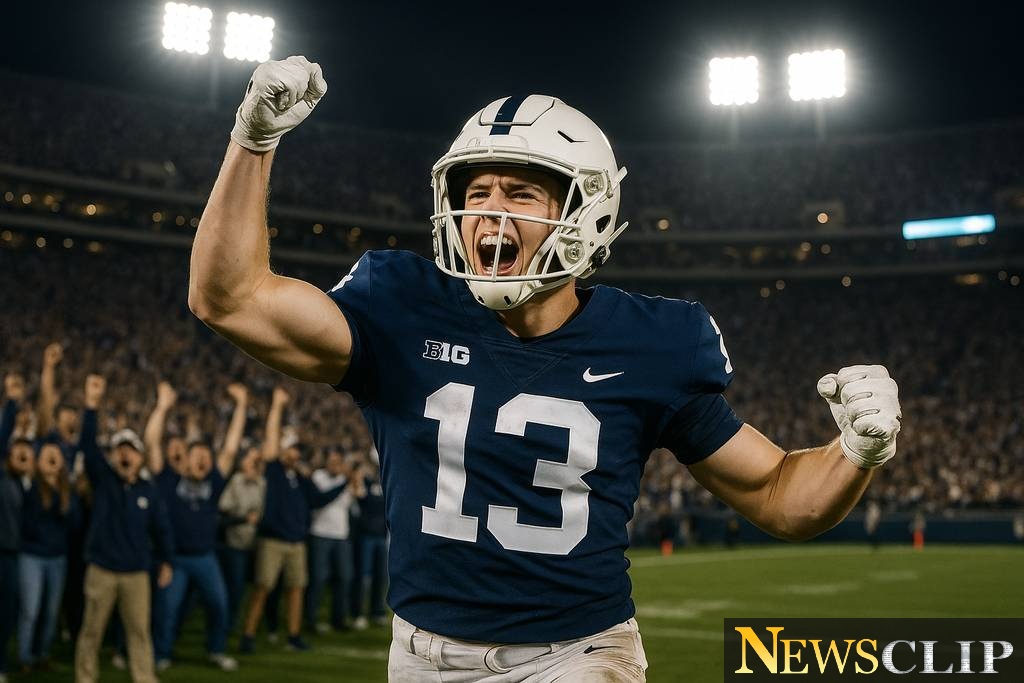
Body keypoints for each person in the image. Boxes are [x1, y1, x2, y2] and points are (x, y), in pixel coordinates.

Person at [188, 56, 904, 681]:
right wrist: (252, 142)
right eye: (476, 192)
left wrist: (854, 453)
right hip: (420, 655)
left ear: (586, 211)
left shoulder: (652, 342)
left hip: (577, 656)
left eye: (520, 192)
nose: (488, 210)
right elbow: (229, 297)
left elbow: (778, 491)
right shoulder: (401, 305)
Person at [74, 374, 175, 683]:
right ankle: (85, 679)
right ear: (114, 454)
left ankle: (144, 677)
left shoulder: (149, 489)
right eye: (120, 448)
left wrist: (167, 560)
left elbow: (161, 528)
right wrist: (91, 406)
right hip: (102, 568)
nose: (125, 453)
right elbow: (88, 449)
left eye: (131, 448)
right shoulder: (104, 480)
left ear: (140, 455)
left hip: (136, 572)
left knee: (139, 632)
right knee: (92, 630)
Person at [238, 387, 348, 654]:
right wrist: (277, 406)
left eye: (296, 450)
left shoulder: (300, 478)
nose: (294, 454)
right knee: (262, 589)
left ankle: (294, 635)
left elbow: (318, 500)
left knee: (296, 589)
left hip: (297, 542)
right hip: (272, 541)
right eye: (290, 449)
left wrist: (343, 483)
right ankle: (248, 635)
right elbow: (272, 441)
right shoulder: (274, 471)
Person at [147, 381, 246, 672]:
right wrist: (162, 407)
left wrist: (240, 406)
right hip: (175, 557)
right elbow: (152, 442)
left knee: (219, 604)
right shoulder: (167, 480)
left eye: (206, 457)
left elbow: (230, 447)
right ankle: (161, 654)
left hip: (205, 556)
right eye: (196, 455)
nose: (203, 460)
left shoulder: (214, 484)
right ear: (184, 461)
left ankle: (216, 650)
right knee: (167, 609)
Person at [17, 439, 81, 672]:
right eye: (48, 454)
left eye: (57, 454)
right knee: (30, 610)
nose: (53, 458)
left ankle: (43, 654)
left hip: (57, 557)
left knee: (51, 612)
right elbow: (28, 523)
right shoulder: (30, 486)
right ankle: (25, 657)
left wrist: (64, 493)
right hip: (32, 555)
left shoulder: (67, 490)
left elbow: (75, 524)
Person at [305, 448, 363, 633]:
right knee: (318, 579)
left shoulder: (345, 480)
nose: (335, 465)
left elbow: (359, 495)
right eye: (332, 461)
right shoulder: (318, 477)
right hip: (320, 533)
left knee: (345, 578)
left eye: (338, 462)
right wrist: (345, 481)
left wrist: (354, 476)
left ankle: (338, 619)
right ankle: (310, 620)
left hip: (341, 535)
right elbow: (322, 499)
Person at [1, 374, 33, 683]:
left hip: (13, 555)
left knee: (9, 614)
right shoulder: (2, 474)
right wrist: (11, 402)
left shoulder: (27, 485)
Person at [218, 444, 266, 631]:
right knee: (235, 588)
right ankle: (227, 625)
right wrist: (244, 518)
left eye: (258, 461)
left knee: (256, 587)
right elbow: (222, 512)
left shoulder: (263, 483)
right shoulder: (236, 481)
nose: (255, 464)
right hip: (235, 544)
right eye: (251, 460)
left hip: (256, 544)